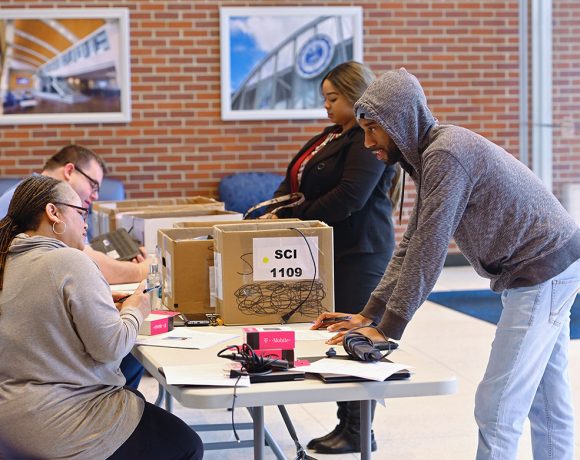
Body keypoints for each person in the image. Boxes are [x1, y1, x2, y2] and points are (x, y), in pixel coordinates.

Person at [312, 68, 580, 459]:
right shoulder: (431, 155)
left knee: (497, 405)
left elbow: (430, 248)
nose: (367, 142)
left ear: (399, 122)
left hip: (541, 267)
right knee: (546, 399)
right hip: (547, 263)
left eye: (373, 130)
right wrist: (370, 314)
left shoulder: (445, 154)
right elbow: (412, 242)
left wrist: (389, 329)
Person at [0, 175, 203, 459]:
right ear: (53, 212)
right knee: (187, 445)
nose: (86, 223)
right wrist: (136, 309)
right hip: (60, 425)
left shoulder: (7, 259)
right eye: (81, 212)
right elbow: (111, 348)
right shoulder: (70, 261)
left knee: (135, 396)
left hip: (10, 425)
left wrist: (99, 303)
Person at [266, 61, 400, 454]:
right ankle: (347, 423)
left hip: (361, 252)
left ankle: (358, 430)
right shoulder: (331, 136)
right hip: (332, 251)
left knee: (354, 340)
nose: (325, 105)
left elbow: (349, 197)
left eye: (333, 97)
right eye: (324, 97)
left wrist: (292, 216)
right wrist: (277, 208)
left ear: (355, 96)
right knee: (338, 338)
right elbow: (295, 181)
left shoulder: (364, 139)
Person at [0, 145, 149, 389]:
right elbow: (82, 257)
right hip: (58, 392)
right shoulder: (68, 255)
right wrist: (139, 281)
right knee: (129, 351)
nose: (95, 196)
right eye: (93, 185)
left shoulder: (28, 229)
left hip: (20, 390)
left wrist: (89, 299)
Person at [0, 144, 151, 285]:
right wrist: (140, 270)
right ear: (69, 171)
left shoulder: (34, 194)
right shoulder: (29, 200)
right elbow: (85, 260)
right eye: (93, 185)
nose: (96, 196)